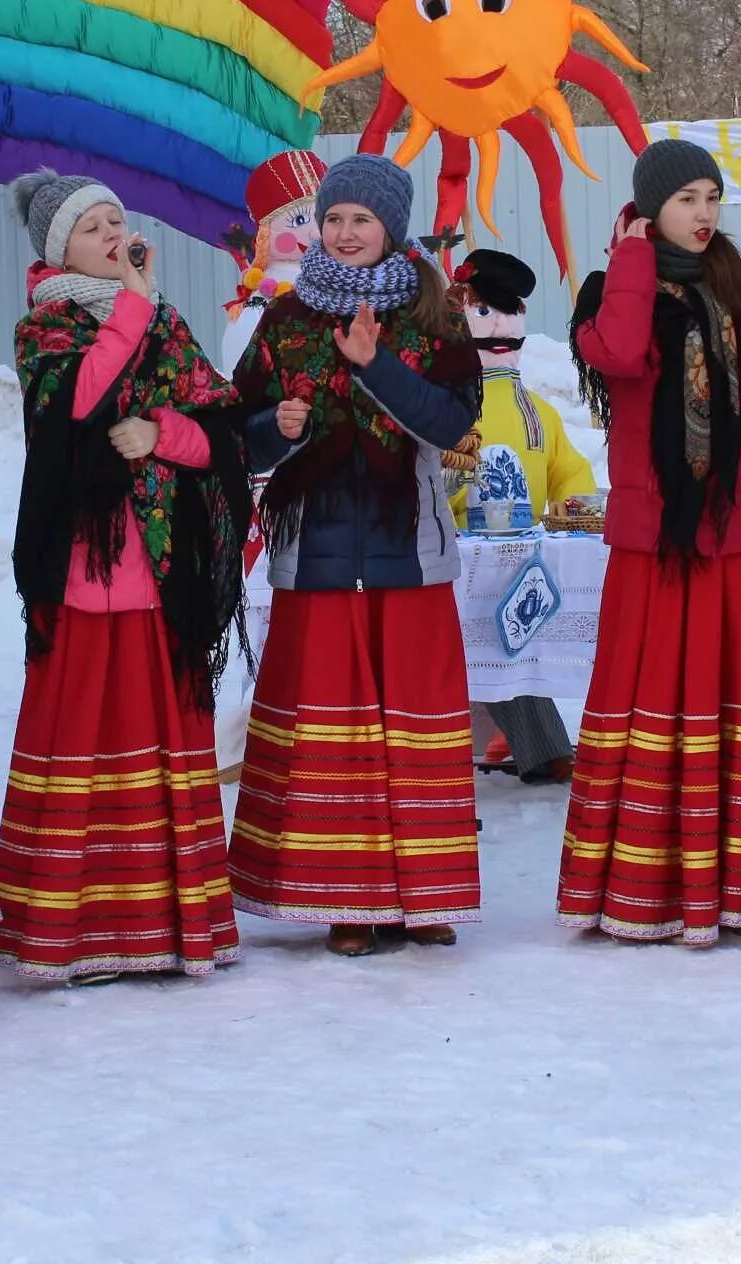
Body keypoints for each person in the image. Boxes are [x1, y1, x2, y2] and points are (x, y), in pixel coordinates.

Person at [0, 168, 251, 983]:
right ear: (57, 247)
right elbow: (76, 406)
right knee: (83, 743)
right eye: (93, 226)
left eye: (118, 220)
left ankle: (167, 928)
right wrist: (135, 311)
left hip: (161, 576)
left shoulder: (165, 323)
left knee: (164, 750)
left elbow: (221, 437)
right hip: (80, 577)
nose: (114, 234)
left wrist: (160, 431)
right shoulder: (44, 330)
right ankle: (71, 933)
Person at [226, 154, 485, 955]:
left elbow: (453, 425)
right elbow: (235, 428)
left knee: (415, 730)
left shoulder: (435, 317)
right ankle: (349, 899)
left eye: (360, 220)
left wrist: (376, 369)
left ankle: (427, 895)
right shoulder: (287, 319)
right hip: (318, 554)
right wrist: (276, 430)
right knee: (333, 734)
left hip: (408, 551)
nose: (342, 233)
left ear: (390, 229)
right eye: (332, 218)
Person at [557, 140, 741, 945]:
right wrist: (632, 262)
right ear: (649, 207)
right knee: (653, 702)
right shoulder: (610, 290)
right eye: (687, 200)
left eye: (712, 197)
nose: (704, 214)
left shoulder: (735, 283)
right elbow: (620, 355)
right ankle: (648, 887)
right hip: (656, 534)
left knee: (732, 705)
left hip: (731, 530)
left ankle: (736, 885)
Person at [450, 247, 599, 785]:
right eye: (485, 311)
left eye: (509, 312)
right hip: (461, 549)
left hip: (526, 545)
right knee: (485, 636)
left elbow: (569, 470)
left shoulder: (538, 410)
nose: (500, 326)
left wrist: (575, 504)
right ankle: (528, 742)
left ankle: (513, 736)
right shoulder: (449, 401)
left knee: (516, 632)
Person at [221, 149, 329, 375]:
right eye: (300, 220)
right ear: (265, 234)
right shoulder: (270, 290)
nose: (315, 232)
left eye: (324, 217)